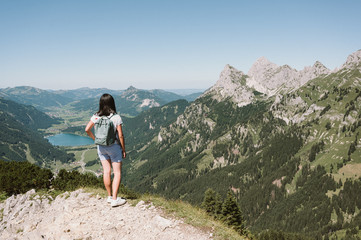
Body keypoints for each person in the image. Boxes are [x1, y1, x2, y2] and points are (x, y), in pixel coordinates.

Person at [85, 93, 127, 207]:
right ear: (112, 103)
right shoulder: (116, 117)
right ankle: (115, 199)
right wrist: (123, 149)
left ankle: (109, 197)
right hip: (114, 147)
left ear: (101, 103)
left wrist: (96, 139)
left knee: (106, 171)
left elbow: (87, 129)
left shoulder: (96, 116)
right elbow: (121, 135)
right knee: (117, 172)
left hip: (101, 147)